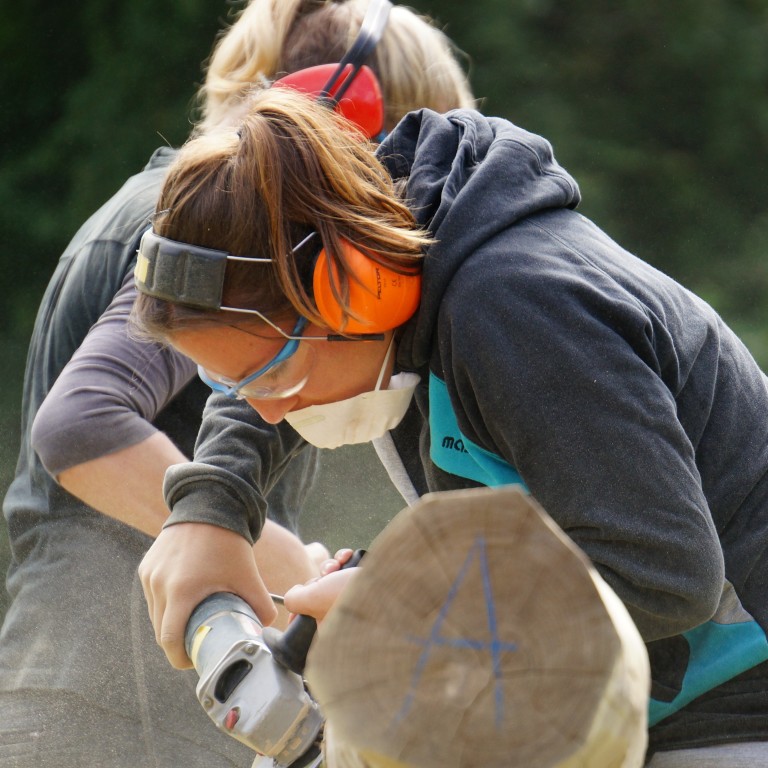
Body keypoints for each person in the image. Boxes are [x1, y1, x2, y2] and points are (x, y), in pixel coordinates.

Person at [131, 86, 768, 767]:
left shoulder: (519, 312)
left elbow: (664, 575)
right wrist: (212, 506)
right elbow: (260, 341)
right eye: (228, 382)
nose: (266, 410)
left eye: (273, 378)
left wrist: (410, 611)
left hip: (734, 698)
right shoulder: (389, 262)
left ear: (357, 291)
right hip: (620, 691)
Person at [0, 1, 475, 766]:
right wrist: (287, 568)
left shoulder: (173, 208)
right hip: (132, 722)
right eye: (398, 150)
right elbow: (84, 422)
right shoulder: (207, 239)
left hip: (88, 700)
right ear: (342, 120)